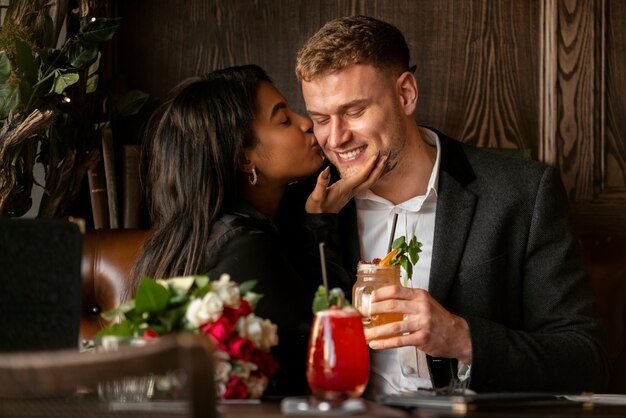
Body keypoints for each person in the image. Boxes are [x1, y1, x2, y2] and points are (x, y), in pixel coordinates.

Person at [295, 15, 609, 395]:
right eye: (320, 119)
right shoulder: (306, 206)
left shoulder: (521, 193)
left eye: (355, 111)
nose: (336, 138)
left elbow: (586, 359)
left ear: (406, 94)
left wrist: (463, 338)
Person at [129, 64, 385, 395]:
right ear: (244, 159)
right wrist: (322, 222)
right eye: (283, 120)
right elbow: (330, 350)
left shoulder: (232, 228)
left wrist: (318, 215)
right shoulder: (243, 245)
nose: (307, 123)